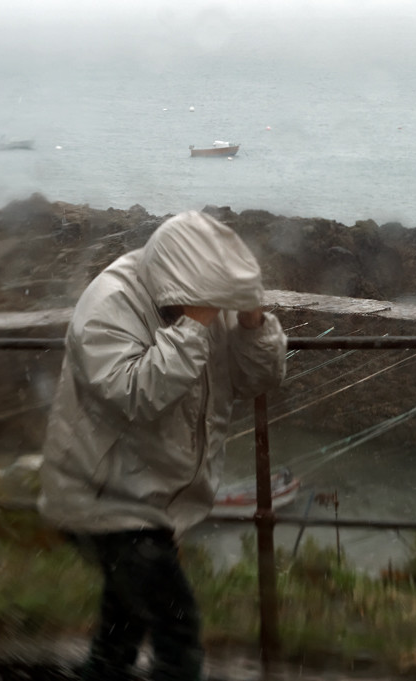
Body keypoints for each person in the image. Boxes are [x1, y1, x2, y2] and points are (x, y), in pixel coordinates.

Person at [39, 210, 288, 681]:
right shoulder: (109, 304)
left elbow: (259, 379)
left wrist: (253, 323)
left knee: (121, 632)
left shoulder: (206, 295)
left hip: (154, 498)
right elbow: (133, 392)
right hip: (106, 498)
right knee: (178, 630)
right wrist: (193, 325)